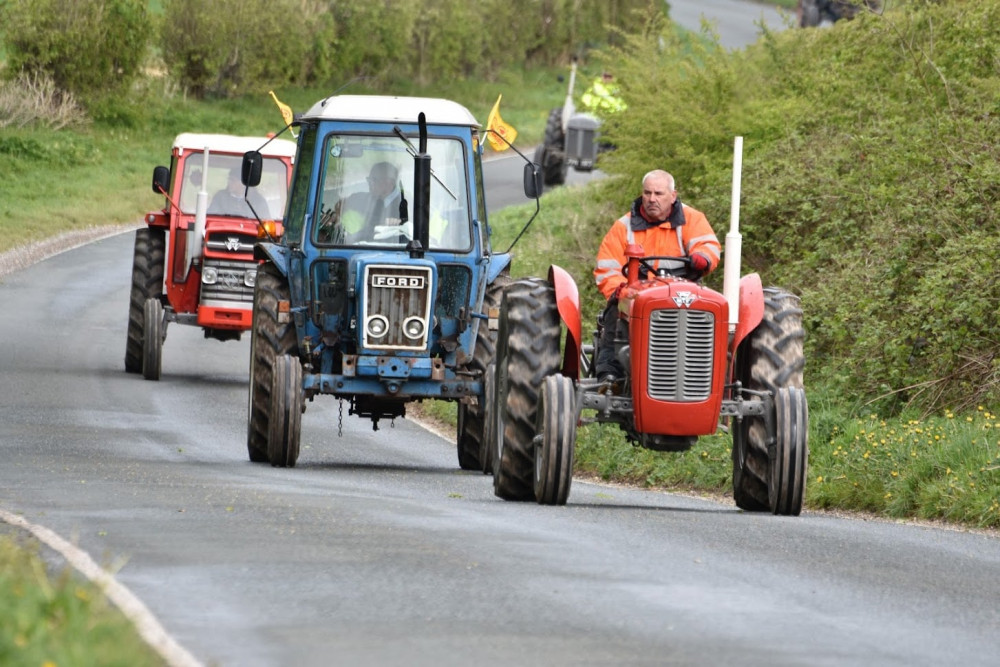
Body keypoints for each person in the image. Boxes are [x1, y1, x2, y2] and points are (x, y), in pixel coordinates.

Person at [592, 169, 721, 383]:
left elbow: (707, 244)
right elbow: (607, 267)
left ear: (673, 195)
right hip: (637, 293)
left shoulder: (692, 219)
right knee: (617, 310)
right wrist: (621, 290)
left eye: (659, 194)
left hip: (684, 291)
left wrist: (702, 257)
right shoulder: (623, 227)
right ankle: (609, 376)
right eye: (647, 193)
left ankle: (707, 375)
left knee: (709, 316)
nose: (652, 199)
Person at [322, 161, 404, 244]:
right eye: (369, 180)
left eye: (373, 180)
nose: (369, 184)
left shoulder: (406, 202)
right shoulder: (362, 197)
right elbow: (340, 204)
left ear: (390, 183)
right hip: (361, 245)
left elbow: (411, 225)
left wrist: (397, 222)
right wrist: (337, 216)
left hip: (394, 248)